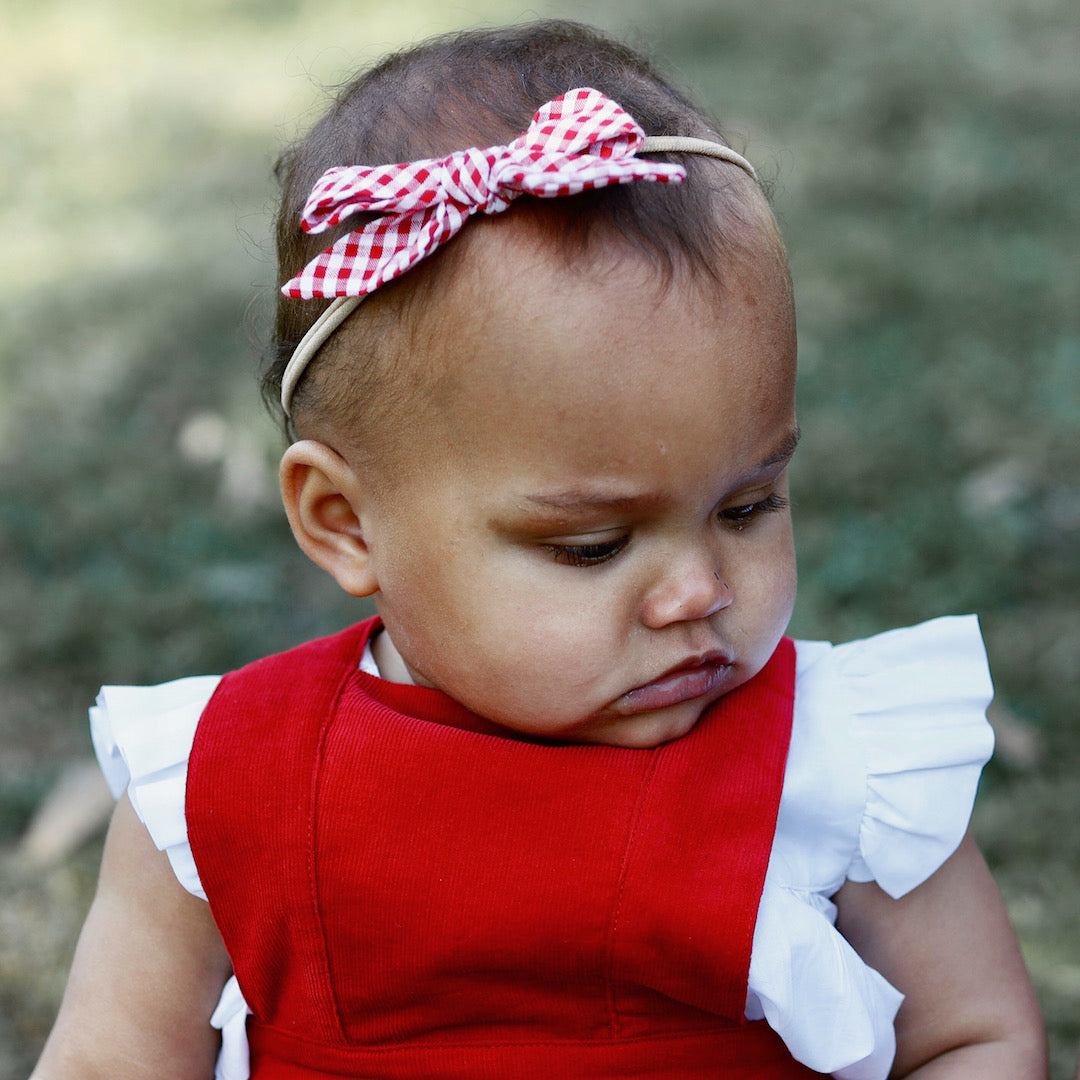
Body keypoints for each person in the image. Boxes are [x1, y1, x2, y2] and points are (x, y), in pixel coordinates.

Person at [32, 19, 1046, 1080]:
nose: (698, 590)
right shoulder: (221, 786)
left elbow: (972, 1036)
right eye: (592, 546)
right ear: (345, 522)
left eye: (747, 507)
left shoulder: (835, 765)